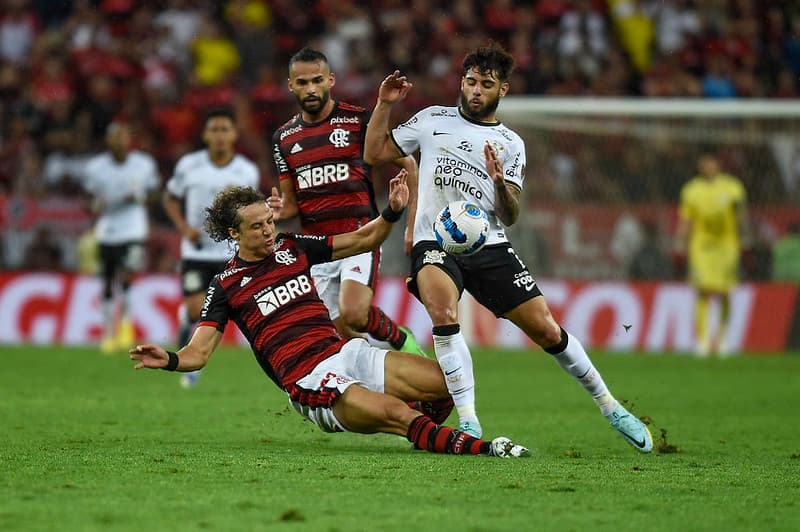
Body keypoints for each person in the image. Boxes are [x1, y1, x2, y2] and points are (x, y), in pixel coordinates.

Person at [363, 44, 652, 452]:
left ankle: (610, 406)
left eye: (486, 84)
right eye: (470, 82)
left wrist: (499, 184)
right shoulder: (432, 121)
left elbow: (511, 214)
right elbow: (374, 152)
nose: (476, 90)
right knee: (444, 314)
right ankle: (470, 422)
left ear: (503, 90)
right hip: (435, 239)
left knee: (547, 329)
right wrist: (383, 104)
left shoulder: (510, 143)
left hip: (490, 245)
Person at [130, 178, 529, 458]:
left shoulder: (292, 247)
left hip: (347, 354)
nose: (269, 232)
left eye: (270, 222)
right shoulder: (226, 285)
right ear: (234, 233)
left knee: (448, 382)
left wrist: (391, 211)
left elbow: (362, 239)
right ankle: (485, 449)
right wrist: (167, 359)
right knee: (398, 413)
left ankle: (423, 433)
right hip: (312, 380)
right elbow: (197, 354)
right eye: (257, 227)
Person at [269, 47, 424, 355]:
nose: (310, 89)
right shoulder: (283, 137)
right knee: (338, 335)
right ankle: (378, 379)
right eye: (302, 82)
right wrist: (274, 211)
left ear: (331, 80)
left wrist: (412, 226)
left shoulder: (357, 121)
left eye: (317, 80)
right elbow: (290, 204)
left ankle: (401, 339)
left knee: (353, 312)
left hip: (360, 235)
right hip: (319, 247)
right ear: (290, 85)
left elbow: (409, 164)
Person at [163, 107, 260, 387]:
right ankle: (189, 348)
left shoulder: (246, 170)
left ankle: (197, 362)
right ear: (206, 135)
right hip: (196, 252)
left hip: (231, 253)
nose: (219, 135)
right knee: (195, 311)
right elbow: (170, 199)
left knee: (234, 312)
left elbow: (251, 209)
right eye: (214, 130)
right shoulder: (188, 166)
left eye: (224, 129)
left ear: (234, 134)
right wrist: (183, 228)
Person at [83, 122, 160, 353]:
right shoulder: (96, 167)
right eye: (114, 137)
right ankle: (108, 334)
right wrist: (95, 205)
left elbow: (156, 193)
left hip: (133, 230)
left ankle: (126, 325)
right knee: (107, 280)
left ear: (129, 139)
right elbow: (88, 201)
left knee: (126, 276)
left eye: (122, 136)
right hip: (107, 231)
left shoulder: (144, 165)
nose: (118, 141)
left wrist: (142, 196)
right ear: (108, 141)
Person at [674, 153, 751, 357]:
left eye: (711, 162)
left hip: (727, 245)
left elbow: (741, 214)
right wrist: (680, 241)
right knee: (702, 290)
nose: (707, 166)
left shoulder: (732, 187)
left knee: (725, 291)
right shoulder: (691, 190)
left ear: (718, 164)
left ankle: (724, 338)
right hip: (701, 247)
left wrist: (746, 235)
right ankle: (703, 341)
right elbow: (686, 219)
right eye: (704, 163)